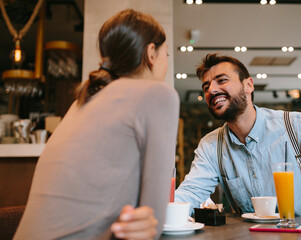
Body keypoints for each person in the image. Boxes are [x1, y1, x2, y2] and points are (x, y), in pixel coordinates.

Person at [14, 9, 179, 240]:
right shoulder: (158, 95)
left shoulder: (82, 99)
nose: (165, 63)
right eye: (167, 55)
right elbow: (153, 221)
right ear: (151, 52)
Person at [175, 53, 301, 226]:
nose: (212, 90)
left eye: (221, 80)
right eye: (206, 87)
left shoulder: (298, 126)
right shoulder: (211, 145)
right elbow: (190, 193)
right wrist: (158, 211)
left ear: (249, 85)